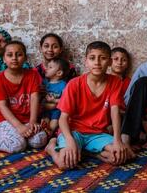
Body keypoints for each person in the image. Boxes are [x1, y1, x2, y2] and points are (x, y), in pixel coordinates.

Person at [45, 41, 133, 169]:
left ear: (109, 62)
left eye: (102, 58)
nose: (97, 62)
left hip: (97, 133)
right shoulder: (74, 84)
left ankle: (86, 151)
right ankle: (52, 147)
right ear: (86, 61)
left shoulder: (115, 82)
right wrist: (70, 141)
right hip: (74, 131)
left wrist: (117, 140)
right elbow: (63, 118)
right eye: (92, 58)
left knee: (124, 156)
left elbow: (115, 112)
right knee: (65, 163)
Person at [41, 57, 69, 136]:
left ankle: (50, 131)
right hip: (45, 109)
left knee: (55, 120)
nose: (46, 68)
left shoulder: (63, 85)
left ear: (59, 73)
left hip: (56, 110)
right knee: (44, 119)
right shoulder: (44, 83)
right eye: (47, 66)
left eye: (50, 67)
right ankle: (44, 129)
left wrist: (54, 101)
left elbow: (65, 101)